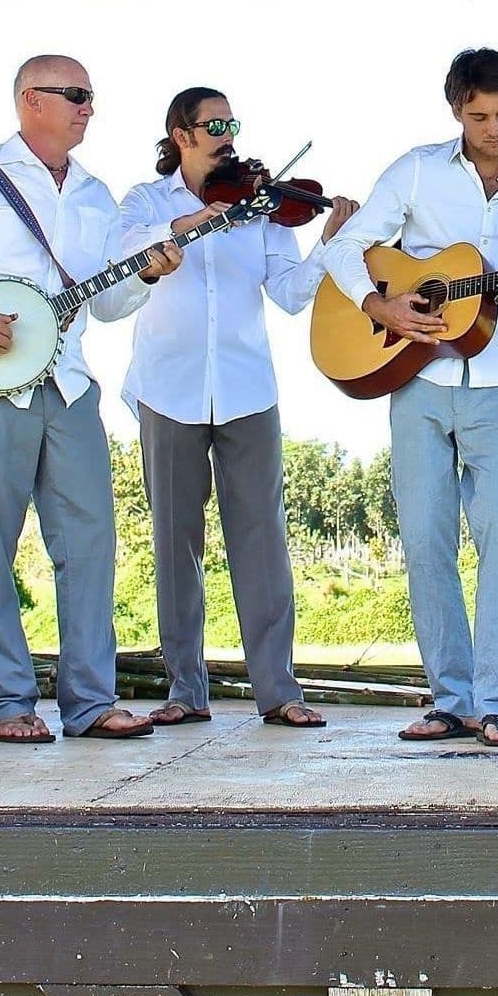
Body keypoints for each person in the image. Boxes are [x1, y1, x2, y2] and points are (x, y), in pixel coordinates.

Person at [0, 54, 181, 744]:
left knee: (89, 543)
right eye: (74, 94)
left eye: (90, 96)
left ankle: (88, 702)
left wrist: (148, 274)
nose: (88, 107)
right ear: (30, 100)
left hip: (70, 384)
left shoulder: (95, 193)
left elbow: (105, 303)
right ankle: (7, 704)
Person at [323, 48, 498, 747]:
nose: (492, 129)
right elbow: (342, 248)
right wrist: (380, 304)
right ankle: (448, 698)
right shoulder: (414, 169)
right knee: (425, 540)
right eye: (478, 116)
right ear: (455, 111)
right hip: (418, 379)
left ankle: (497, 701)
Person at [119, 87, 357, 729]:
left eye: (233, 124)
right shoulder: (146, 200)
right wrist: (198, 222)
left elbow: (288, 294)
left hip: (248, 388)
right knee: (176, 544)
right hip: (167, 387)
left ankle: (278, 691)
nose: (230, 137)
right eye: (214, 125)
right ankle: (184, 690)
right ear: (181, 135)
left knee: (262, 539)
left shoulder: (261, 209)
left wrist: (329, 243)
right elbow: (124, 251)